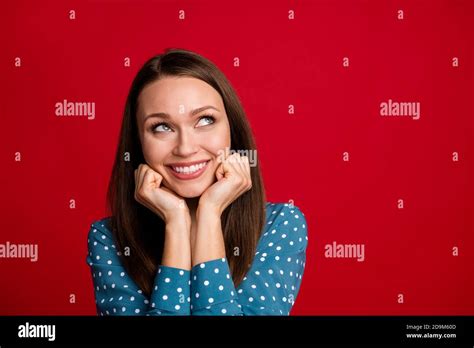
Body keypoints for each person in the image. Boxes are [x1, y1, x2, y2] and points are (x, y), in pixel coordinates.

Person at [86, 48, 308, 315]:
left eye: (205, 120)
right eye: (161, 127)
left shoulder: (280, 225)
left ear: (232, 131)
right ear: (138, 144)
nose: (185, 147)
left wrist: (209, 213)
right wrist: (176, 223)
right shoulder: (109, 240)